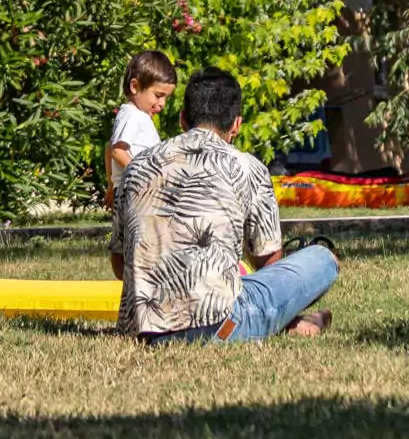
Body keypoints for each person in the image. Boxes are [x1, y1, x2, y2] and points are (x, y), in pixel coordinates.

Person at [111, 68, 339, 344]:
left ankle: (296, 322)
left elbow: (120, 259)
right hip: (218, 326)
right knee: (323, 258)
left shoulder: (137, 167)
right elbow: (268, 261)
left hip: (143, 331)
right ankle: (292, 322)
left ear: (183, 120)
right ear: (237, 125)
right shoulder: (245, 166)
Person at [103, 50, 177, 216]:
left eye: (166, 98)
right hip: (136, 192)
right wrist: (146, 176)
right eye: (158, 96)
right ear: (135, 86)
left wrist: (111, 185)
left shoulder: (136, 116)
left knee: (128, 239)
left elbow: (109, 148)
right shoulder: (131, 114)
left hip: (130, 190)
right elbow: (118, 151)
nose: (162, 103)